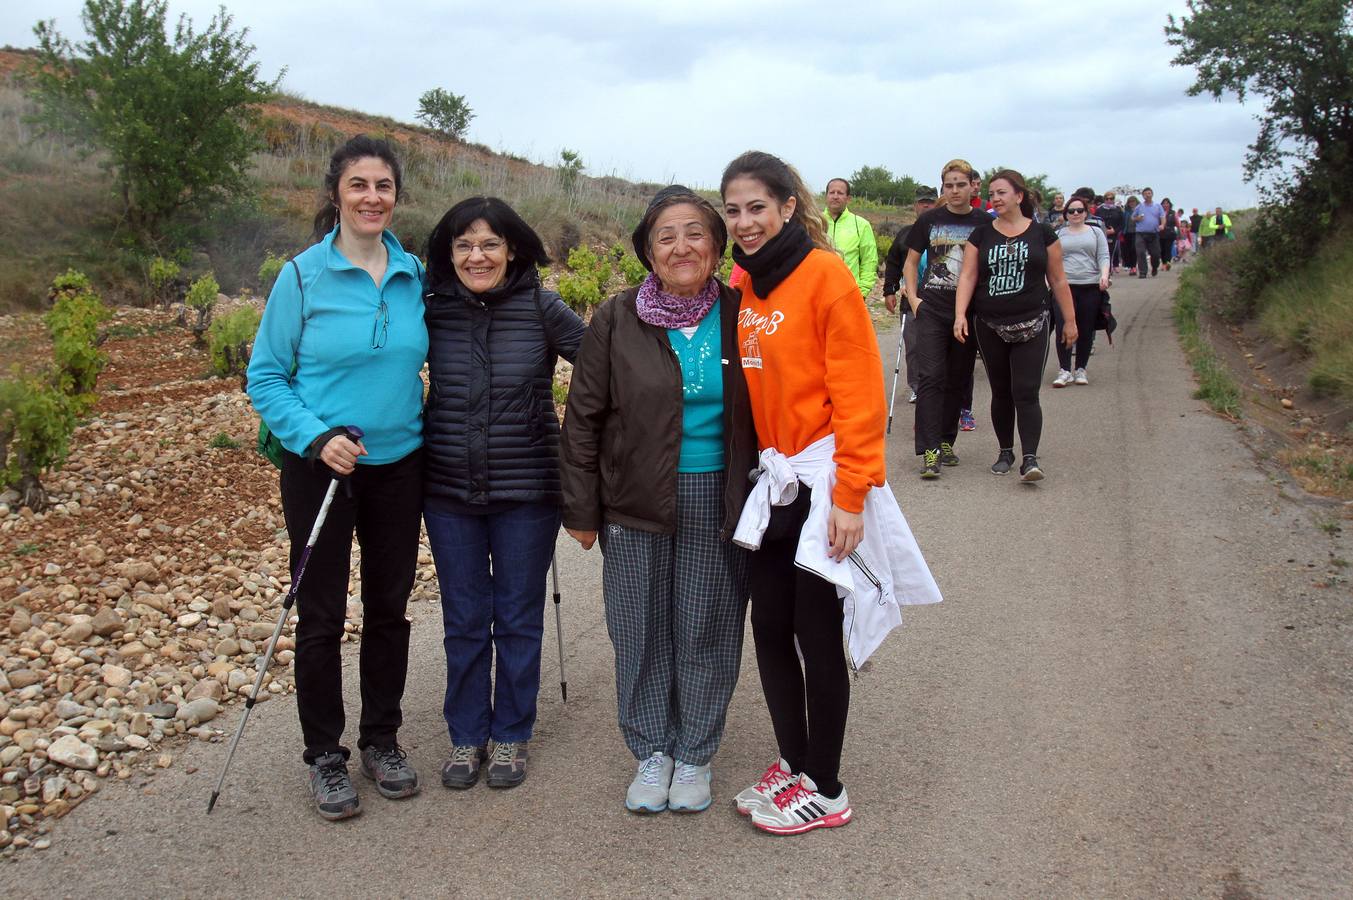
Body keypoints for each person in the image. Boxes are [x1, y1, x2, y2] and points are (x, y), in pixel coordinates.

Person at [720, 150, 940, 836]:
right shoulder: (745, 282)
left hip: (821, 482)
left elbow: (858, 395)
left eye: (757, 206)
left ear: (789, 206)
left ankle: (828, 785)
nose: (744, 221)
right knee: (768, 629)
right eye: (732, 209)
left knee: (816, 633)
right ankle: (793, 761)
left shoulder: (824, 276)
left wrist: (851, 495)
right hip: (774, 483)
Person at [247, 135, 427, 820]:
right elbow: (264, 375)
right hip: (319, 467)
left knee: (389, 608)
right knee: (321, 614)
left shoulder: (413, 273)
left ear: (395, 196)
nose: (371, 197)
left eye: (383, 185)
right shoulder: (301, 278)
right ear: (336, 193)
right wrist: (315, 437)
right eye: (359, 185)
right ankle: (325, 754)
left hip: (399, 466)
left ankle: (381, 739)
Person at [559, 186, 755, 815]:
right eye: (665, 236)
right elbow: (583, 417)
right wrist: (582, 511)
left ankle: (695, 751)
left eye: (695, 232)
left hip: (720, 493)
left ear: (717, 245)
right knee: (639, 626)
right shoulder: (616, 318)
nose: (681, 247)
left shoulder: (743, 311)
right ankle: (651, 751)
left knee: (709, 623)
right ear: (647, 250)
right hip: (634, 497)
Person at [421, 198, 585, 791]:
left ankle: (511, 734)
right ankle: (467, 736)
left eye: (489, 244)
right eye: (463, 245)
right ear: (449, 254)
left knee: (518, 617)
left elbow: (599, 368)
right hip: (446, 490)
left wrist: (584, 454)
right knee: (464, 619)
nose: (476, 256)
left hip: (529, 492)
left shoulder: (542, 307)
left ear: (512, 248)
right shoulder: (431, 309)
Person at [954, 169, 1077, 482]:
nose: (995, 199)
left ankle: (1030, 458)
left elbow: (1058, 279)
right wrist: (960, 315)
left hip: (1033, 322)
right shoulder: (981, 235)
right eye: (992, 194)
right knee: (1001, 391)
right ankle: (1005, 450)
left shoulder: (1043, 234)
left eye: (1002, 193)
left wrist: (1070, 320)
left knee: (1026, 391)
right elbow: (968, 276)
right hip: (990, 323)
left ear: (1019, 196)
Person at [904, 158, 987, 478]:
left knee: (958, 377)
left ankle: (946, 439)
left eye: (960, 185)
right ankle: (929, 449)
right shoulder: (930, 221)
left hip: (967, 312)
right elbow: (911, 262)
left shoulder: (983, 222)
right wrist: (914, 299)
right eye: (948, 186)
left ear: (972, 187)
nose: (954, 191)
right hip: (933, 309)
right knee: (931, 377)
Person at [882, 185, 938, 403]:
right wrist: (889, 290)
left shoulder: (945, 232)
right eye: (922, 202)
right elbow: (893, 262)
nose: (926, 205)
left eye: (930, 201)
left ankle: (937, 384)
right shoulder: (905, 234)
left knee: (936, 345)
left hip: (939, 299)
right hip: (910, 300)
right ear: (915, 205)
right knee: (913, 345)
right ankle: (917, 386)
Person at [1050, 197, 1110, 387]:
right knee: (1063, 327)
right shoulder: (1059, 233)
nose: (1075, 214)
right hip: (1064, 286)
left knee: (1085, 328)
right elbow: (1051, 259)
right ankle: (1065, 369)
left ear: (1086, 212)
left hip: (1090, 285)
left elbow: (1103, 255)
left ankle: (1081, 368)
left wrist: (1104, 275)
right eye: (1071, 211)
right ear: (1065, 214)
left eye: (1079, 210)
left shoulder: (1096, 232)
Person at [823, 178, 879, 298]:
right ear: (826, 196)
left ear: (848, 198)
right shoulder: (814, 222)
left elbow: (869, 260)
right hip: (818, 293)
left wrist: (862, 292)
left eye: (840, 193)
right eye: (832, 192)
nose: (835, 196)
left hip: (848, 295)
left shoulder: (861, 225)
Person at [1132, 187, 1165, 277]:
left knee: (1155, 254)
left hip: (1153, 233)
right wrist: (1137, 218)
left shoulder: (1157, 206)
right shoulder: (1139, 207)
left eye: (1149, 193)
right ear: (1143, 196)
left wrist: (1162, 225)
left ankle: (1154, 267)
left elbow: (1162, 217)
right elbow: (1133, 218)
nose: (1147, 195)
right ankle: (1143, 272)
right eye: (1145, 194)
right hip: (1141, 233)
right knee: (1140, 252)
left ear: (1152, 194)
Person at [1097, 191, 1125, 272]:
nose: (1109, 200)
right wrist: (1103, 230)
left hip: (1113, 235)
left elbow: (1122, 224)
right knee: (1101, 252)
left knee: (1110, 252)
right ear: (1104, 199)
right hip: (1101, 234)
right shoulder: (1099, 210)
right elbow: (1096, 221)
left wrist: (1114, 231)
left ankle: (1108, 271)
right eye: (1107, 199)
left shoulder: (1118, 210)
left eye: (1111, 198)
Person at [1122, 195, 1140, 274]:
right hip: (1127, 232)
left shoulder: (1139, 211)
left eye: (1133, 202)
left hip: (1136, 232)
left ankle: (1133, 267)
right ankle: (1130, 266)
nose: (1132, 203)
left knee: (1134, 249)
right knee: (1127, 250)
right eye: (1130, 202)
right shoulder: (1126, 211)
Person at [1160, 197, 1179, 270]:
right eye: (1163, 203)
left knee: (1167, 248)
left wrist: (1179, 233)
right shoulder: (1159, 212)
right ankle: (1163, 263)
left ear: (1169, 204)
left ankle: (1167, 262)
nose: (1165, 205)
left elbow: (1177, 223)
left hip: (1170, 233)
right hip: (1160, 233)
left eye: (1167, 203)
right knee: (1162, 249)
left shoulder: (1173, 213)